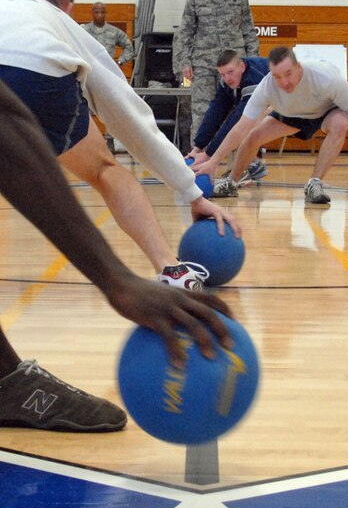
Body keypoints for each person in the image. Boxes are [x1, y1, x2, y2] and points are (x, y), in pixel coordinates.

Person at [0, 79, 234, 432]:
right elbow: (131, 117)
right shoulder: (58, 31)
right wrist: (116, 278)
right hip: (35, 78)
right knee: (103, 166)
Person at [0, 0, 240, 294]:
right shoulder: (58, 21)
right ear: (67, 6)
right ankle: (170, 269)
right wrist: (191, 191)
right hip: (33, 70)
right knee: (104, 169)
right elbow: (125, 113)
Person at [195, 46, 348, 204]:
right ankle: (231, 182)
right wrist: (212, 162)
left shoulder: (325, 76)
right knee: (253, 135)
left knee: (340, 122)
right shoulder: (266, 86)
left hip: (327, 111)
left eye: (288, 74)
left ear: (299, 67)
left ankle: (314, 183)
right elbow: (241, 127)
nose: (284, 82)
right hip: (293, 114)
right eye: (277, 76)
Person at [173, 0, 259, 142]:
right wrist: (184, 62)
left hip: (234, 68)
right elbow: (185, 31)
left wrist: (252, 62)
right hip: (204, 66)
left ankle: (235, 167)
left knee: (237, 115)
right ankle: (198, 162)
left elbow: (249, 31)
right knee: (201, 114)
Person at [186, 49, 270, 188]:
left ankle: (249, 166)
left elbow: (238, 120)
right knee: (244, 122)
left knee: (247, 123)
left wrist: (209, 155)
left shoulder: (254, 78)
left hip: (296, 102)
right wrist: (198, 147)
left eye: (231, 72)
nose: (227, 78)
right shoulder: (226, 81)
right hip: (278, 103)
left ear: (242, 67)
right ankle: (251, 165)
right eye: (223, 74)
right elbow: (215, 112)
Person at [81, 1, 134, 152]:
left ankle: (109, 140)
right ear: (92, 13)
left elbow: (129, 47)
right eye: (96, 12)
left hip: (107, 76)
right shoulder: (84, 31)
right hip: (89, 76)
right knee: (86, 110)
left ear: (106, 13)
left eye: (102, 12)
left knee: (109, 109)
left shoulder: (113, 32)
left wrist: (120, 61)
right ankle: (86, 141)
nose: (99, 15)